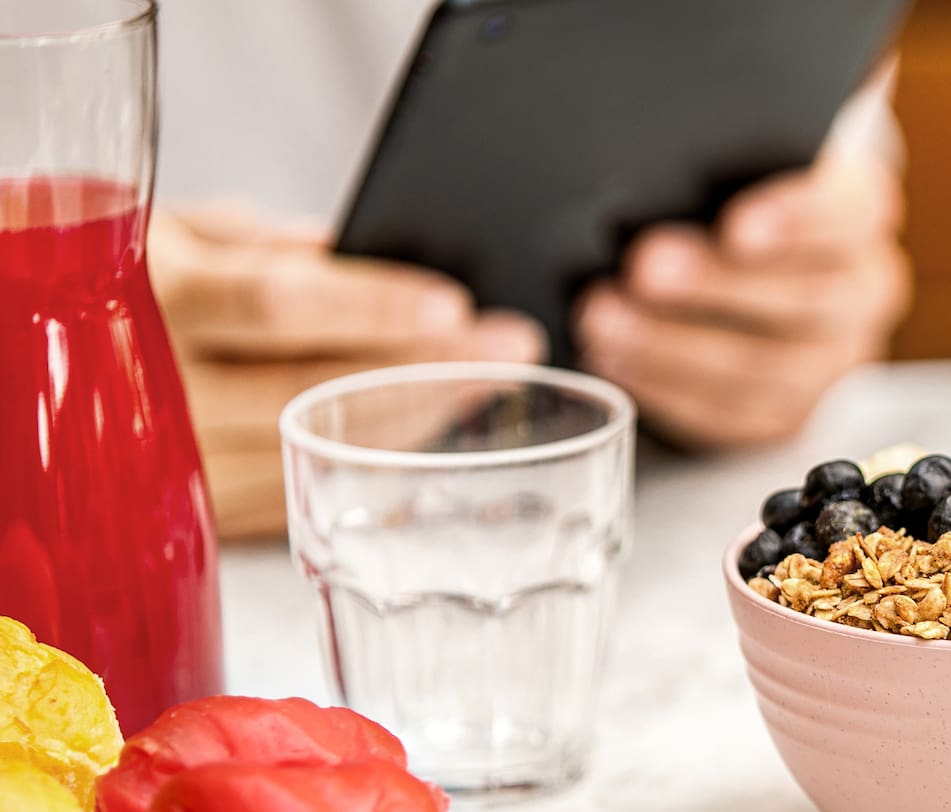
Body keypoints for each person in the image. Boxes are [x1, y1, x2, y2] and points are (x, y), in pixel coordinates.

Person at [151, 3, 912, 538]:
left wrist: (803, 285)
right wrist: (48, 356)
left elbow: (827, 141)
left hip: (648, 503)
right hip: (199, 569)